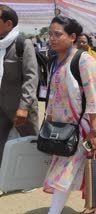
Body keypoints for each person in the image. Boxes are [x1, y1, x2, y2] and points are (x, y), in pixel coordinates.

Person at [43, 16, 96, 214]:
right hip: (59, 130)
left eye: (58, 34)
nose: (52, 38)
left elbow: (93, 98)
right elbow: (52, 94)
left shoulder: (84, 60)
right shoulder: (53, 61)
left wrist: (95, 131)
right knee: (65, 173)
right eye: (50, 34)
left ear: (73, 36)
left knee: (64, 174)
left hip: (81, 129)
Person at [0, 5, 39, 166]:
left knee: (29, 142)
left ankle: (32, 176)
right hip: (1, 107)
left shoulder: (23, 44)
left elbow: (31, 77)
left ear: (8, 24)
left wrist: (23, 107)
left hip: (21, 107)